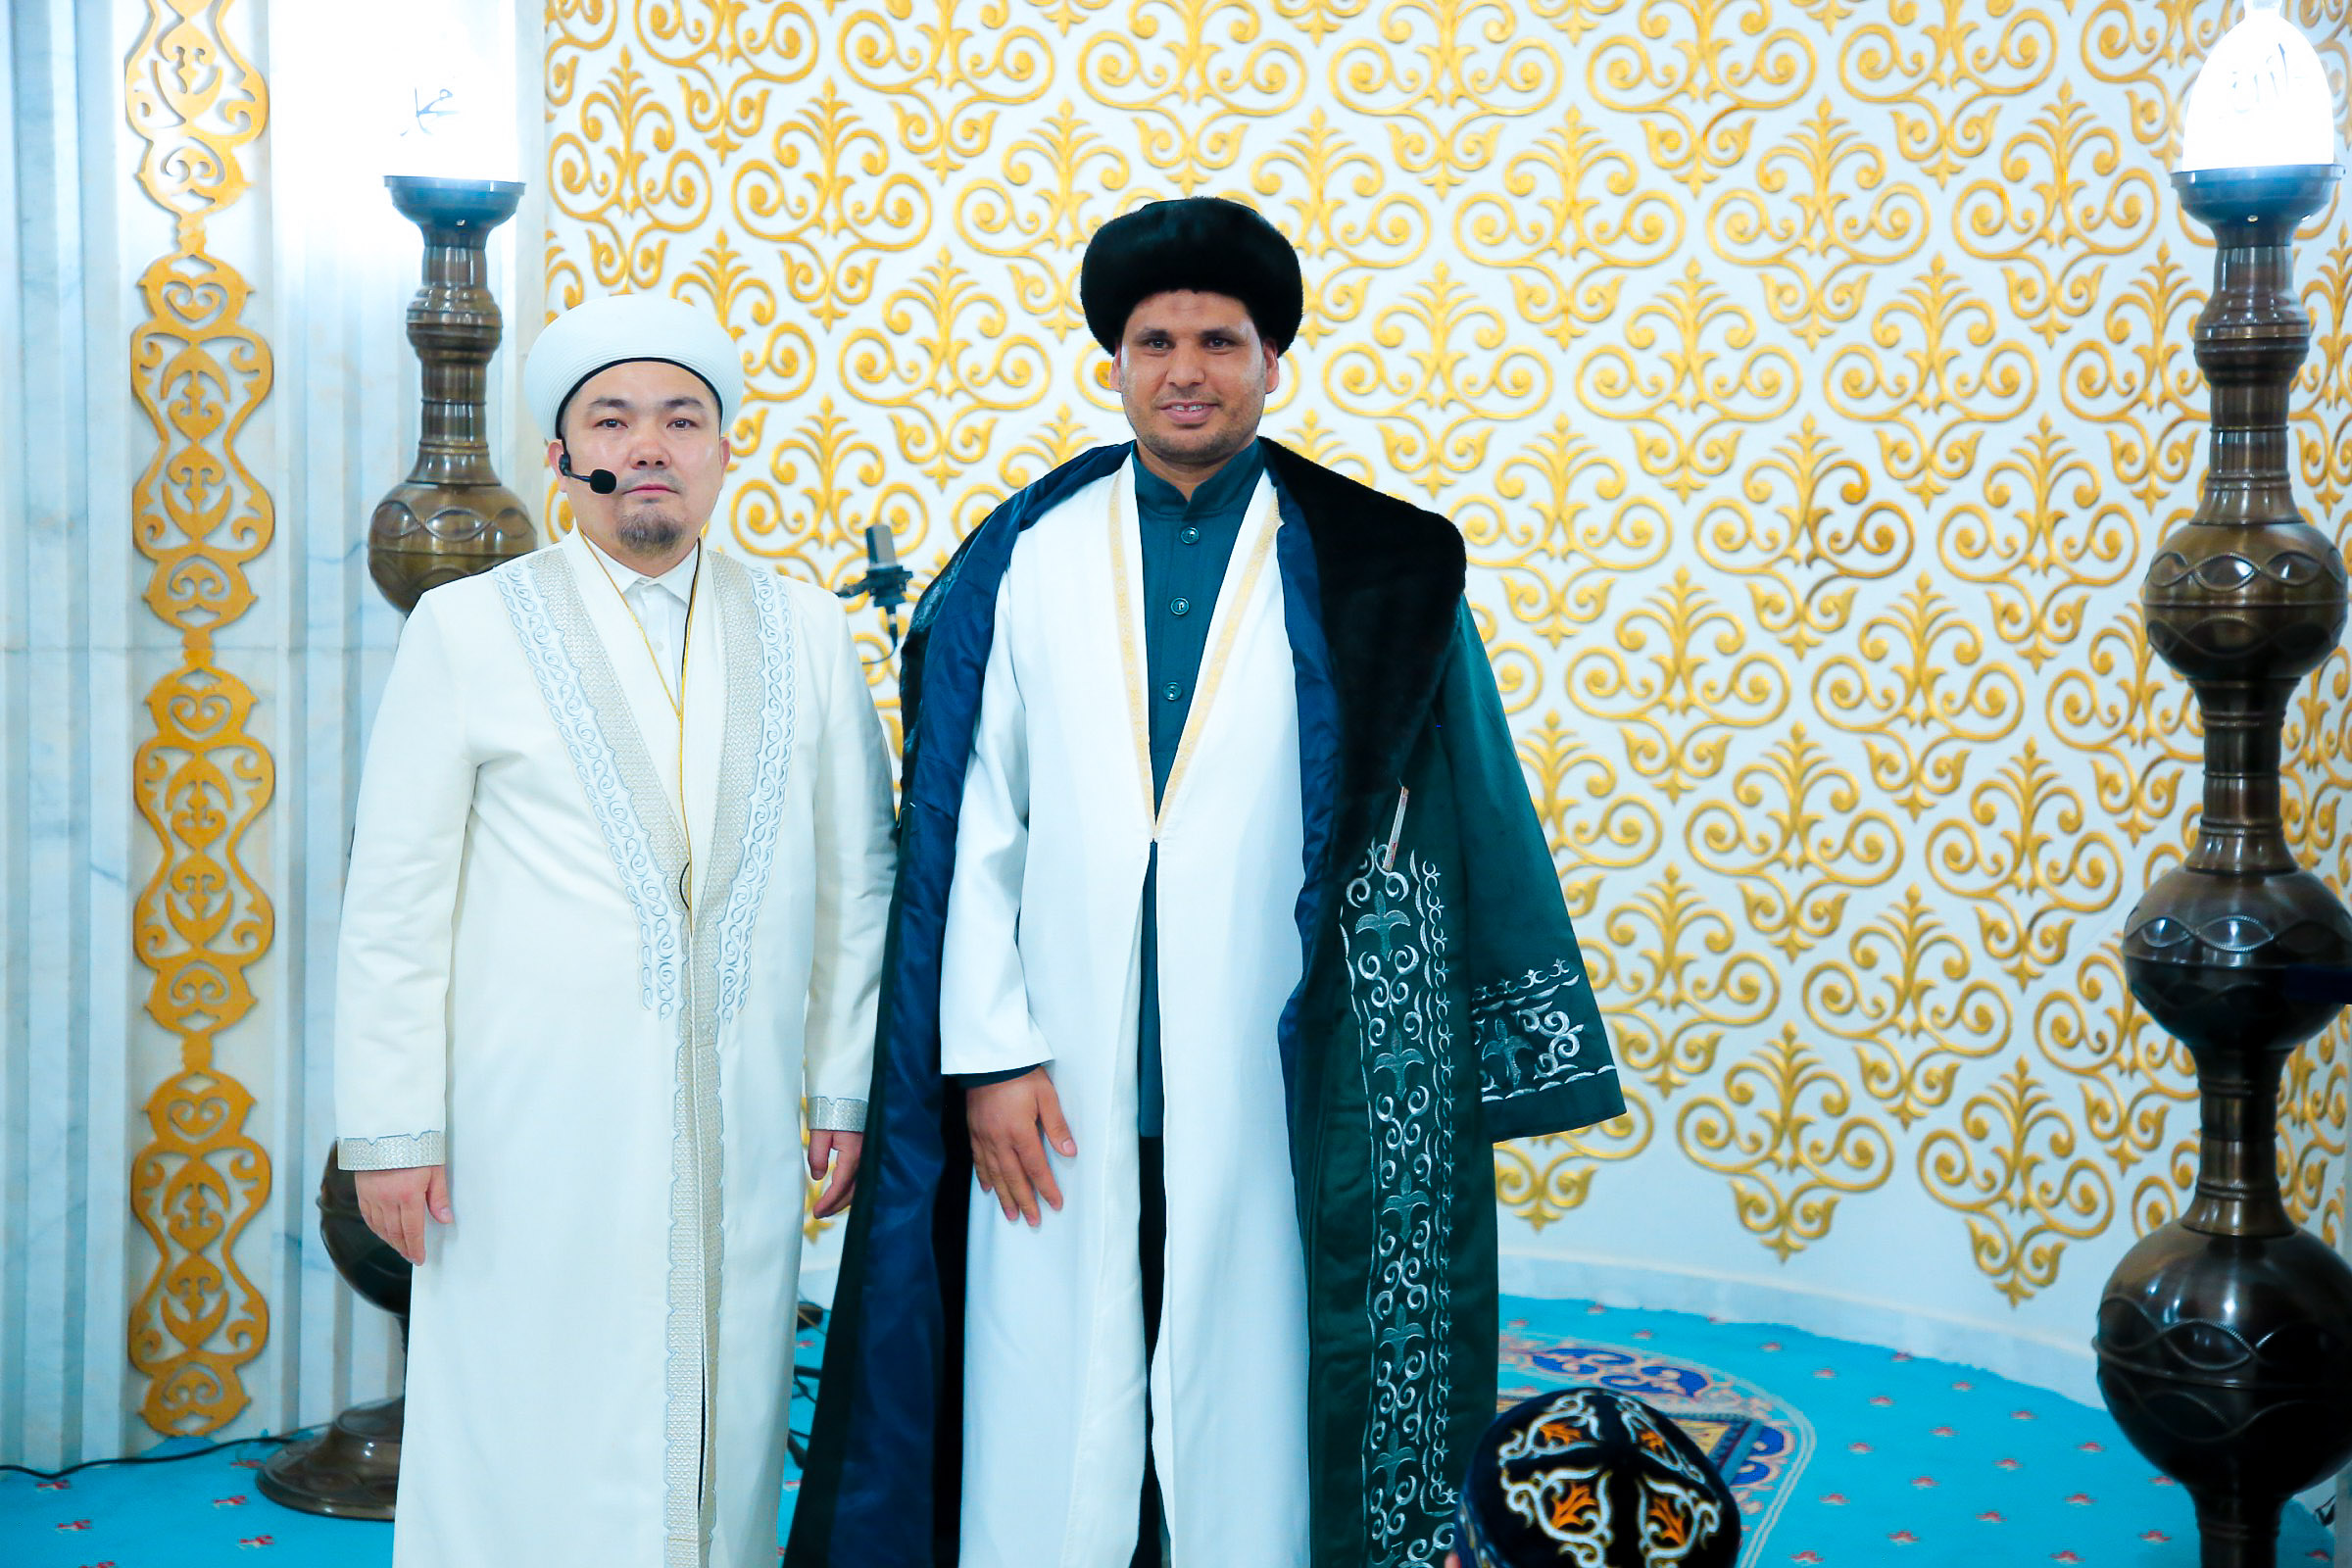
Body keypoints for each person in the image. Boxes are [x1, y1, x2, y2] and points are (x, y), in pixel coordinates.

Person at [787, 197, 1625, 1568]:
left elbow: (1464, 807)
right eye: (1156, 343)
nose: (1187, 371)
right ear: (1114, 363)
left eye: (1220, 342)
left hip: (1280, 1079)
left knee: (1257, 1394)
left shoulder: (1374, 567)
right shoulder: (1027, 556)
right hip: (1054, 1082)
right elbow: (973, 824)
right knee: (1047, 1388)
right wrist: (988, 1058)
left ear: (1271, 362)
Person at [334, 291, 897, 1568]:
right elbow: (395, 898)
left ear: (723, 450)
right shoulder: (469, 629)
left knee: (725, 1419)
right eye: (612, 419)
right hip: (522, 1136)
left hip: (739, 1121)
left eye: (682, 419)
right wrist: (392, 1129)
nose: (648, 445)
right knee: (525, 1423)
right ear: (561, 454)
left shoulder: (808, 632)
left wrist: (841, 1087)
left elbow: (858, 878)